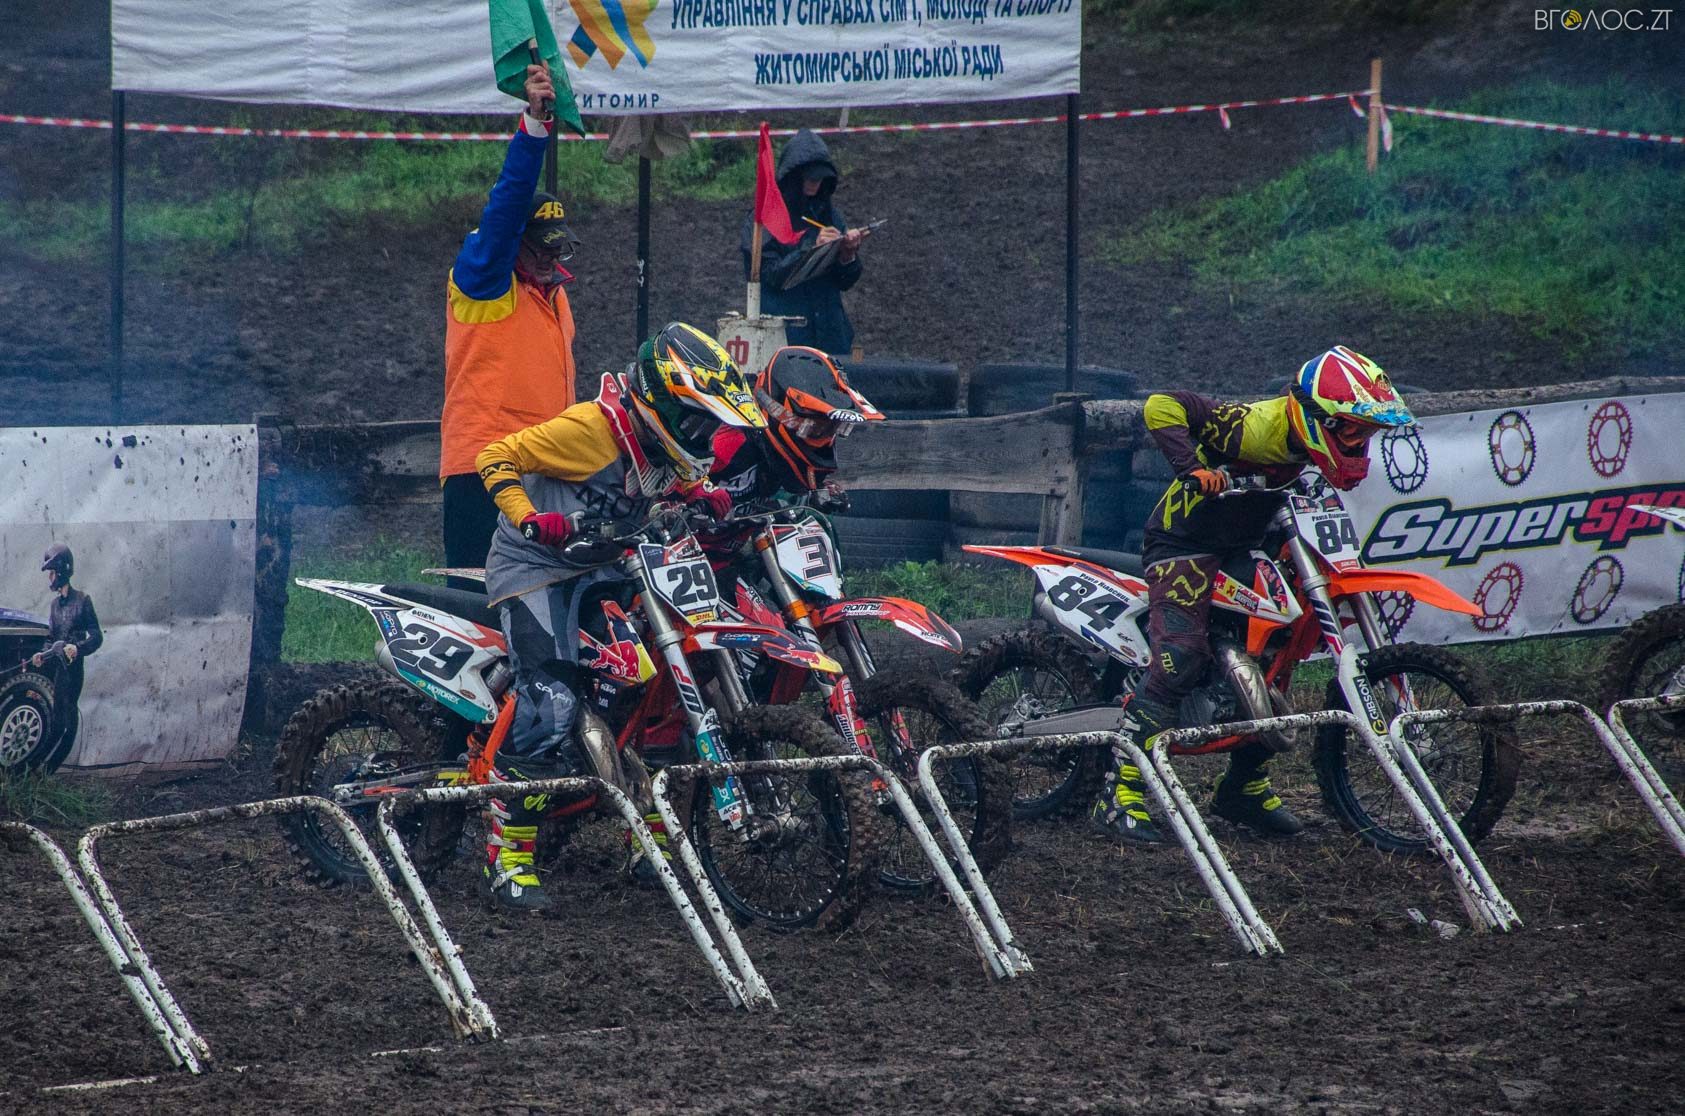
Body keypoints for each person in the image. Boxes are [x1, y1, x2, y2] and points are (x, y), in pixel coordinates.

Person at [473, 323, 765, 912]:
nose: (702, 436)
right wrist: (531, 517)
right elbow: (495, 455)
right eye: (696, 424)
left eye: (708, 426)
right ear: (661, 402)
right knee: (552, 699)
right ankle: (507, 857)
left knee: (649, 690)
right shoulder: (589, 430)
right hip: (536, 567)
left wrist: (702, 492)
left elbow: (673, 475)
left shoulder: (658, 440)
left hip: (607, 564)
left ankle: (649, 841)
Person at [1090, 347, 1415, 844]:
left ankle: (1243, 787)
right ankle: (1118, 790)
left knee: (1276, 655)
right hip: (1183, 545)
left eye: (1366, 432)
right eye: (1352, 430)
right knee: (1180, 657)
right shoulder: (1250, 428)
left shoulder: (1306, 442)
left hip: (1242, 545)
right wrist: (1192, 468)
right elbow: (1161, 404)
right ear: (1318, 418)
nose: (1359, 442)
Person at [440, 62, 580, 591]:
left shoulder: (555, 295)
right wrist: (534, 129)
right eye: (540, 249)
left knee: (546, 603)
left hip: (546, 471)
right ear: (512, 244)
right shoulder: (483, 281)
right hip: (483, 472)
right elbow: (505, 207)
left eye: (558, 249)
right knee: (480, 605)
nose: (551, 260)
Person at [740, 129, 866, 356]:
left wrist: (847, 256)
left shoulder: (828, 214)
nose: (816, 184)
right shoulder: (763, 221)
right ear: (793, 177)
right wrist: (811, 250)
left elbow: (845, 281)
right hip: (786, 341)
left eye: (821, 179)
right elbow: (770, 275)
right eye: (810, 178)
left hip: (831, 336)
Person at [710, 345, 884, 508]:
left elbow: (787, 484)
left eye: (833, 429)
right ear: (783, 413)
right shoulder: (729, 438)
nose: (825, 439)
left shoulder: (785, 456)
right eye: (817, 428)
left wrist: (813, 495)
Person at [30, 544, 103, 770]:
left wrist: (78, 649)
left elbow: (97, 636)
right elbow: (51, 638)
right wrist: (42, 654)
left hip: (73, 672)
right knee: (55, 722)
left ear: (62, 572)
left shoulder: (83, 600)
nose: (50, 578)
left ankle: (48, 769)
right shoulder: (54, 606)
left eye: (52, 573)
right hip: (57, 672)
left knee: (68, 725)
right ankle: (33, 767)